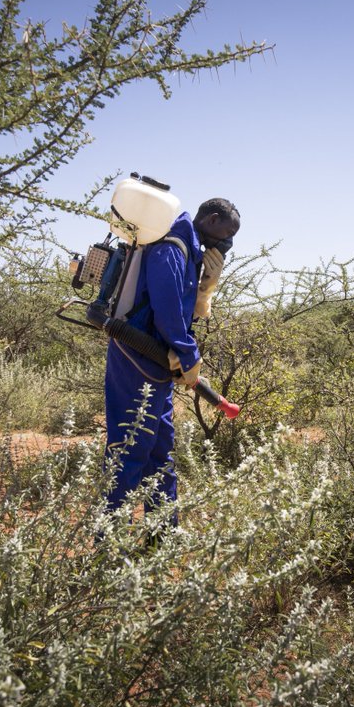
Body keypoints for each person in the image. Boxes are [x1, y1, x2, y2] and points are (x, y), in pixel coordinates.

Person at [103, 197, 240, 526]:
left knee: (161, 453)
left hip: (158, 365)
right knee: (130, 450)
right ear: (211, 219)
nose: (227, 242)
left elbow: (180, 309)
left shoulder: (191, 252)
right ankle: (109, 546)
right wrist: (188, 353)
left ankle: (162, 537)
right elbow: (166, 312)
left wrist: (206, 288)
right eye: (226, 233)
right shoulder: (172, 246)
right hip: (136, 356)